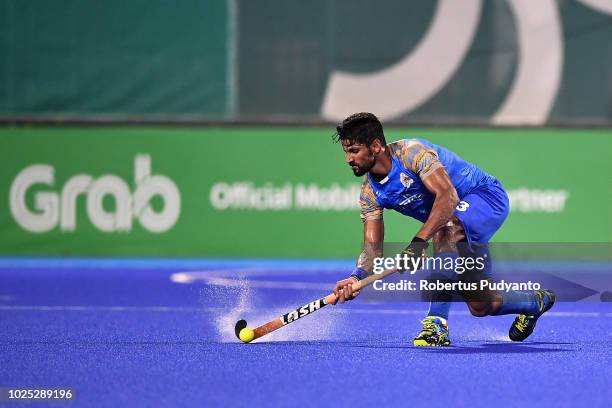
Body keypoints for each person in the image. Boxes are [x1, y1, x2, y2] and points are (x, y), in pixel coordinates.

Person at [331, 112, 555, 346]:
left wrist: (418, 243)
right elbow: (372, 252)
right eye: (346, 152)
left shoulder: (412, 154)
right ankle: (534, 303)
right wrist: (355, 277)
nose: (348, 159)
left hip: (486, 197)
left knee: (445, 227)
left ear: (375, 146)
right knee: (482, 304)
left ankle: (436, 325)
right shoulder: (369, 194)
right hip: (454, 226)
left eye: (354, 150)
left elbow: (448, 198)